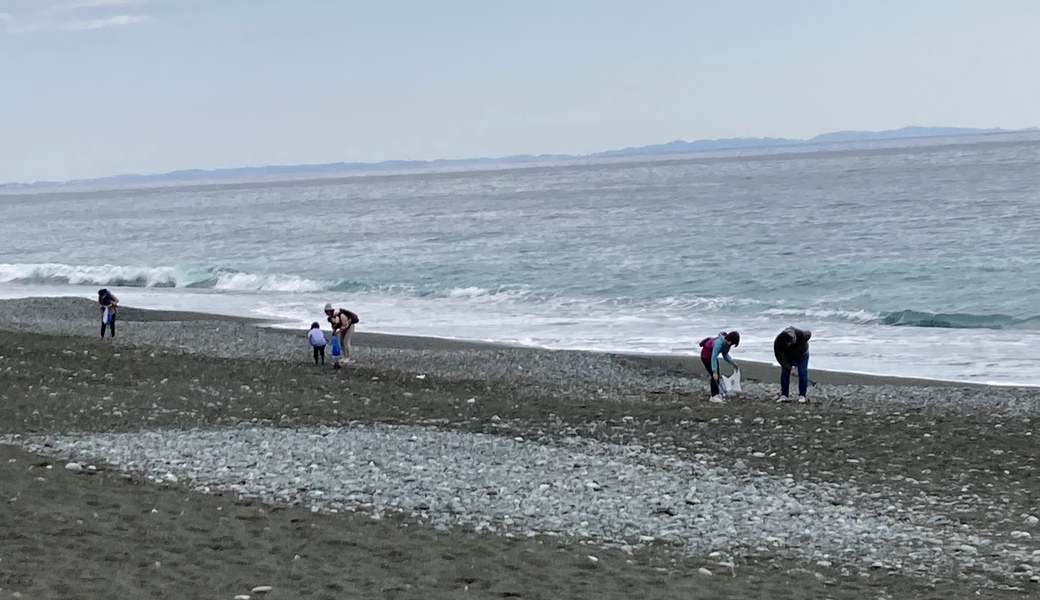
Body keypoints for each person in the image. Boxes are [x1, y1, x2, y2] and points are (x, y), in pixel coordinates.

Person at [698, 331, 740, 404]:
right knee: (714, 375)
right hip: (706, 356)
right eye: (730, 342)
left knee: (717, 375)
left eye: (732, 344)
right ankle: (714, 396)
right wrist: (714, 371)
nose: (730, 344)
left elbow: (725, 355)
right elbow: (713, 357)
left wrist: (732, 363)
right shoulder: (718, 343)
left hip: (712, 356)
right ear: (728, 339)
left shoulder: (727, 345)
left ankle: (717, 393)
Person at [774, 326, 812, 403]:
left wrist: (794, 367)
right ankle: (784, 395)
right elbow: (779, 357)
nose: (788, 344)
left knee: (802, 372)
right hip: (787, 355)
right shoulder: (778, 342)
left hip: (802, 353)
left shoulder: (800, 338)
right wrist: (789, 367)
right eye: (786, 343)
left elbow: (798, 354)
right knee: (785, 371)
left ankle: (802, 396)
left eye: (789, 343)